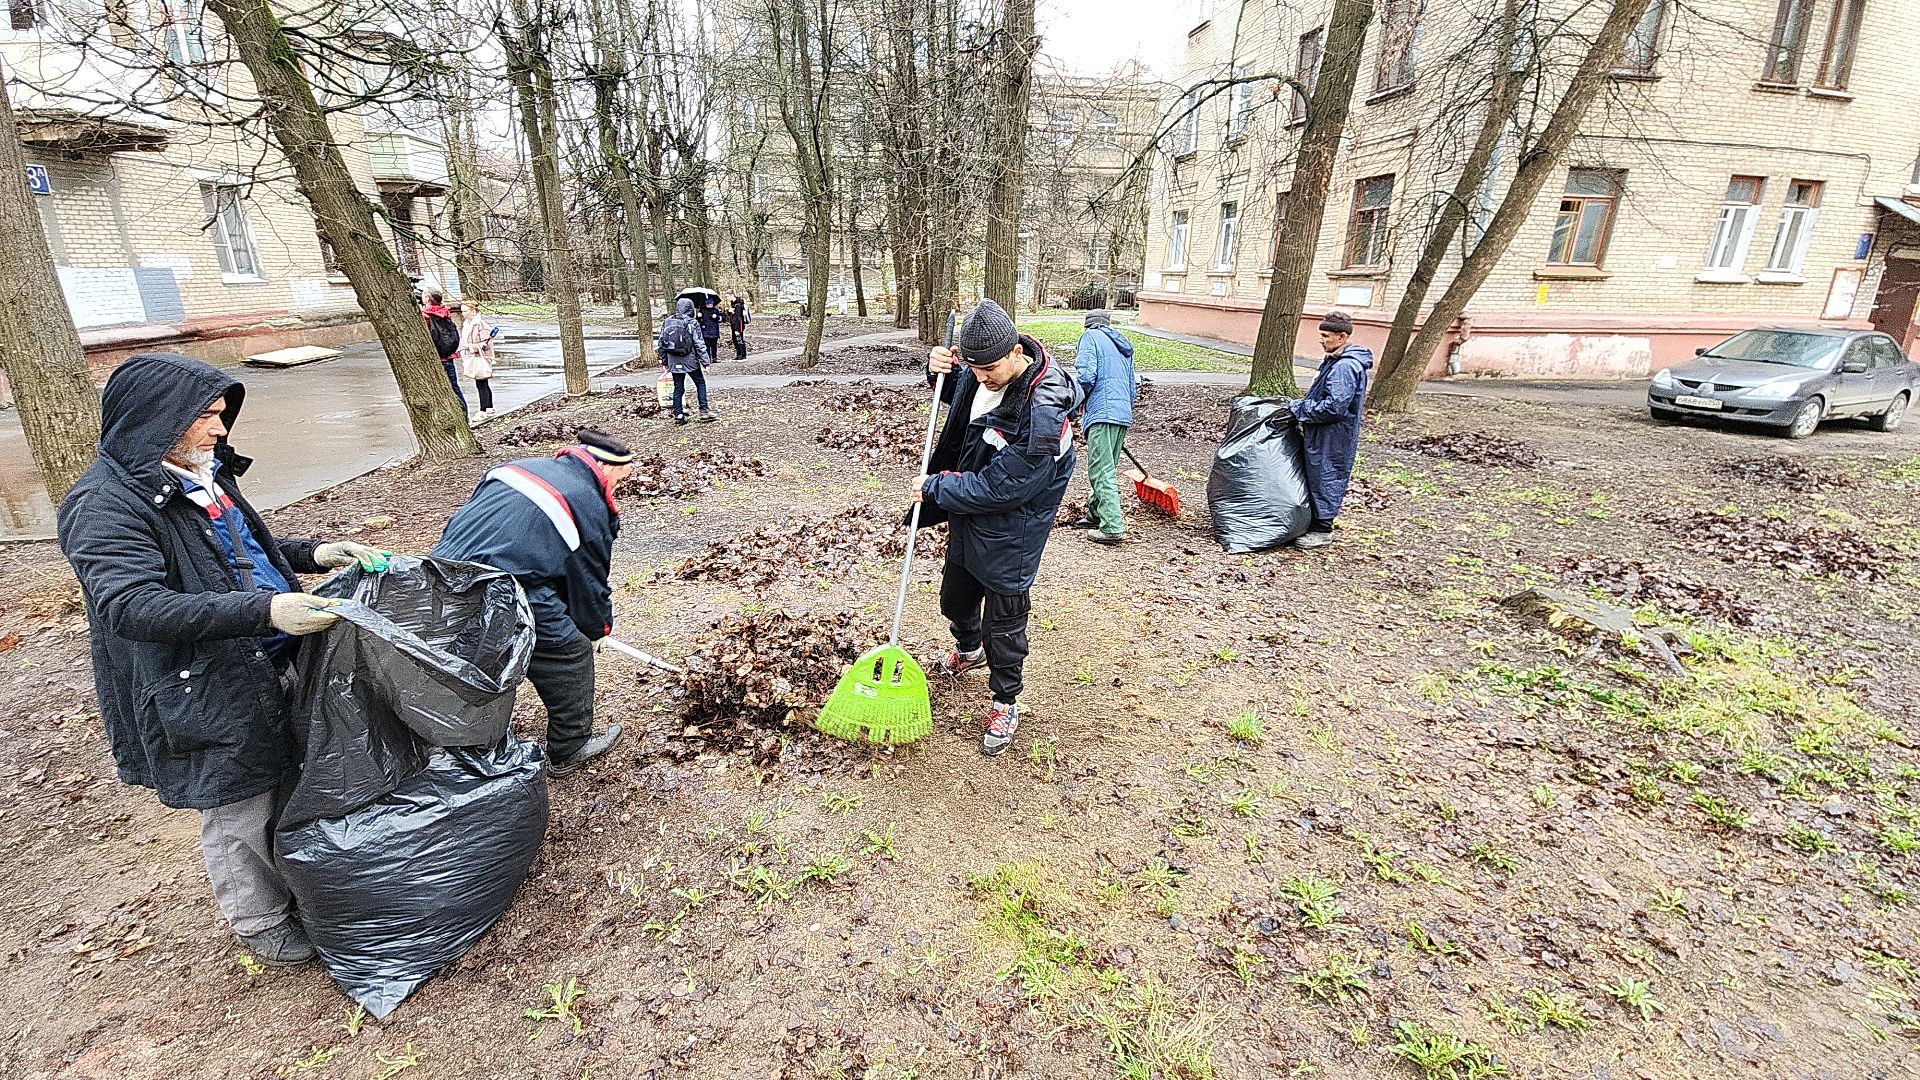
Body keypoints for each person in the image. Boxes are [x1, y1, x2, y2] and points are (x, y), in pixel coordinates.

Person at [57, 353, 391, 966]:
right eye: (205, 418)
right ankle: (260, 922)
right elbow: (132, 605)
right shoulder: (104, 504)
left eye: (220, 415)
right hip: (199, 680)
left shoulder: (201, 475)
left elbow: (240, 551)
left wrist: (315, 553)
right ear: (157, 420)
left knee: (289, 773)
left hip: (264, 657)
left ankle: (300, 888)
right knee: (239, 799)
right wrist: (264, 612)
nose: (220, 430)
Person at [914, 300, 1079, 756]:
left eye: (987, 367)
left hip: (1012, 532)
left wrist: (937, 488)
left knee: (1003, 627)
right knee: (955, 601)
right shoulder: (981, 373)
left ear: (1014, 351)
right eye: (973, 366)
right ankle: (969, 649)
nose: (980, 375)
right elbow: (965, 399)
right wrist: (940, 374)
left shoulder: (1044, 411)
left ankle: (1006, 700)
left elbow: (1005, 486)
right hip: (970, 520)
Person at [433, 428, 632, 777]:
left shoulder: (515, 467)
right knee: (567, 651)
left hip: (442, 570)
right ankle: (570, 748)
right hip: (501, 586)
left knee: (475, 654)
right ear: (603, 467)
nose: (620, 487)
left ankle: (454, 733)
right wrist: (596, 629)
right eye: (621, 478)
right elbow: (588, 579)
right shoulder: (586, 502)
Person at [1290, 310, 1374, 549]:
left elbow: (1334, 407)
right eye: (1321, 334)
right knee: (1317, 473)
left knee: (1326, 475)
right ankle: (1313, 522)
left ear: (1342, 337)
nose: (1321, 339)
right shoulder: (1335, 361)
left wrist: (1300, 410)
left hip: (1333, 433)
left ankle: (1322, 530)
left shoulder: (1345, 367)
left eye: (1326, 335)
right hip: (1323, 431)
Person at [1070, 309, 1137, 545]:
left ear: (1087, 325)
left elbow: (1086, 377)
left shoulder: (1090, 338)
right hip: (1121, 413)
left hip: (1102, 412)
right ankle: (1095, 513)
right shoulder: (1122, 345)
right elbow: (1131, 385)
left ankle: (1112, 526)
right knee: (1107, 466)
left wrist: (1073, 403)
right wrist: (1123, 415)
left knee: (1101, 469)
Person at [660, 297, 715, 424]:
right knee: (700, 383)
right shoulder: (692, 323)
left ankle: (678, 415)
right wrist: (705, 363)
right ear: (691, 309)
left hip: (673, 359)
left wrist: (664, 361)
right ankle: (704, 411)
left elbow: (661, 343)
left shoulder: (667, 321)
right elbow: (699, 343)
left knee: (678, 387)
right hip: (690, 360)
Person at [422, 291, 467, 412]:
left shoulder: (425, 315)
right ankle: (464, 412)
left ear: (427, 299)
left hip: (437, 356)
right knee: (454, 386)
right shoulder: (445, 312)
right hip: (449, 355)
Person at [459, 301, 498, 421]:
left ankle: (483, 409)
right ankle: (489, 408)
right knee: (482, 383)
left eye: (465, 311)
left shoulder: (481, 324)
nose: (463, 314)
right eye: (462, 311)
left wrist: (472, 347)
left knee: (481, 383)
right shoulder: (467, 324)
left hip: (479, 358)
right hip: (471, 357)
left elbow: (486, 344)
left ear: (473, 311)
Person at [696, 293, 722, 367]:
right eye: (708, 304)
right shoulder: (702, 310)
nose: (709, 305)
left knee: (714, 345)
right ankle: (708, 358)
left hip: (714, 330)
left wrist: (716, 317)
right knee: (706, 345)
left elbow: (721, 319)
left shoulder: (715, 310)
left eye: (711, 304)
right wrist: (698, 316)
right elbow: (698, 320)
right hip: (705, 330)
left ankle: (714, 357)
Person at [726, 294, 750, 362]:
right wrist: (729, 311)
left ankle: (743, 356)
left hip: (738, 326)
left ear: (732, 295)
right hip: (734, 325)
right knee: (735, 340)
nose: (727, 298)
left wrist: (737, 329)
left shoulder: (738, 304)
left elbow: (738, 318)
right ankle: (739, 355)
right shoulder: (733, 304)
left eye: (728, 296)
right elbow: (732, 316)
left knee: (739, 340)